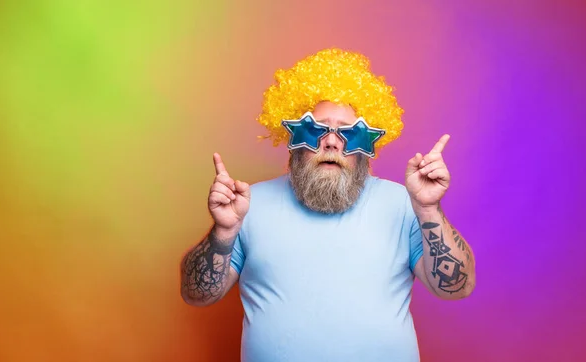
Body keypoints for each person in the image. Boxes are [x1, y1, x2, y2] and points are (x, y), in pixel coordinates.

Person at [180, 48, 476, 362]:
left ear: (366, 146)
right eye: (316, 129)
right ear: (293, 138)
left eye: (350, 133)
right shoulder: (247, 205)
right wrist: (224, 232)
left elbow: (456, 287)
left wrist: (429, 210)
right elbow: (196, 294)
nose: (332, 142)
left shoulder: (403, 203)